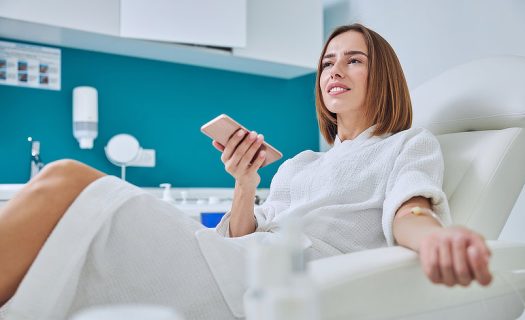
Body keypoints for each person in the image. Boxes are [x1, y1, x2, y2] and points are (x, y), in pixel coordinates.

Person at [0, 23, 492, 320]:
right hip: (238, 257)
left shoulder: (406, 145)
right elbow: (240, 234)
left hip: (271, 280)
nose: (334, 71)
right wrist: (245, 183)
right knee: (60, 191)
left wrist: (435, 241)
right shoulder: (302, 163)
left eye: (353, 60)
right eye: (326, 64)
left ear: (381, 74)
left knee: (67, 179)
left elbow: (411, 208)